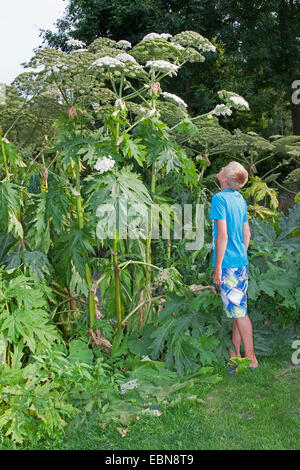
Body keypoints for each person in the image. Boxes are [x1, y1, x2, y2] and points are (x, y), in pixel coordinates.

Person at [209, 161, 258, 369]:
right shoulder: (239, 199)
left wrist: (219, 266)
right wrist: (241, 254)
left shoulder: (219, 199)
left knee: (239, 312)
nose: (220, 170)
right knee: (238, 308)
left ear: (224, 178)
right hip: (241, 261)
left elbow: (223, 236)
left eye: (222, 170)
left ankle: (252, 359)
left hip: (228, 264)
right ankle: (234, 352)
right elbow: (247, 233)